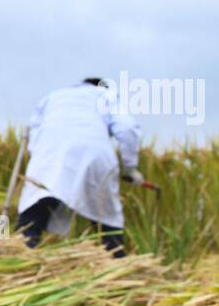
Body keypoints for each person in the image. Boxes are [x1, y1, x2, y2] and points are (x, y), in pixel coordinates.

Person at [16, 77, 141, 256]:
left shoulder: (53, 96)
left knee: (34, 212)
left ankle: (18, 262)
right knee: (106, 221)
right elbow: (128, 128)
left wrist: (42, 159)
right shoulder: (107, 95)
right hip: (94, 155)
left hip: (47, 156)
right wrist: (130, 168)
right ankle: (117, 267)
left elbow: (34, 132)